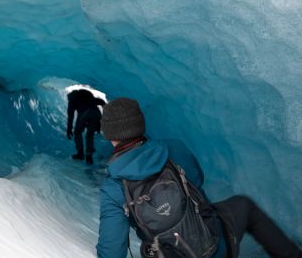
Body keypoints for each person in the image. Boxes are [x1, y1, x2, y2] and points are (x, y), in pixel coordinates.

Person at [96, 97, 302, 258]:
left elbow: (112, 250)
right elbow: (197, 180)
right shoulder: (172, 148)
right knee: (244, 206)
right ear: (140, 125)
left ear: (109, 134)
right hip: (216, 245)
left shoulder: (114, 187)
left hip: (170, 252)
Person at [66, 89, 106, 164]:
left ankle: (80, 154)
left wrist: (69, 129)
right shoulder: (89, 97)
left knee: (77, 132)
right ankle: (89, 156)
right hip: (96, 114)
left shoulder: (72, 99)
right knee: (90, 134)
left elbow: (70, 115)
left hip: (85, 113)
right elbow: (102, 102)